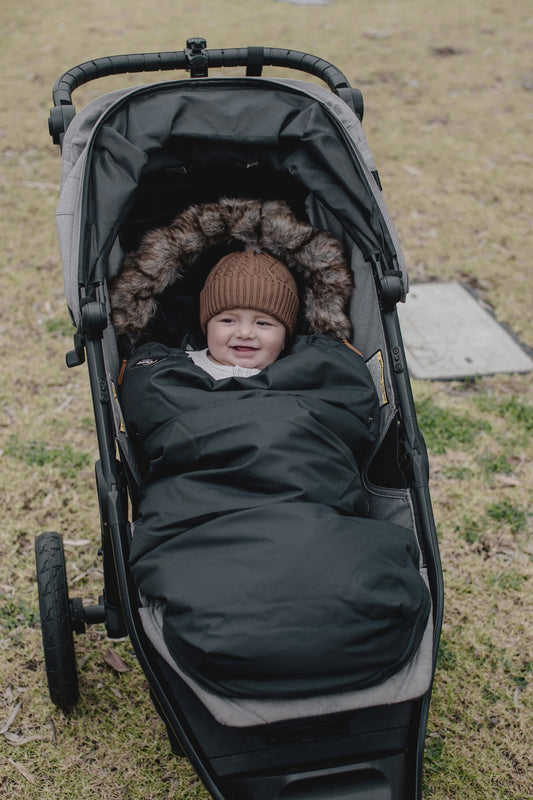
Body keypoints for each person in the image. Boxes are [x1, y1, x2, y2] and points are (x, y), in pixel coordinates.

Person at [187, 249, 300, 379]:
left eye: (262, 323)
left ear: (284, 339)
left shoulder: (297, 378)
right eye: (228, 321)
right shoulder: (180, 368)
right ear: (207, 328)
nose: (245, 333)